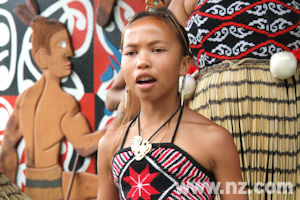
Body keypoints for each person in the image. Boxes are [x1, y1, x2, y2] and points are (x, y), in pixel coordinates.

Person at [97, 7, 248, 200]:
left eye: (157, 49)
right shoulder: (110, 144)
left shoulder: (215, 140)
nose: (142, 61)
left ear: (184, 64)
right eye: (131, 52)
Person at [0, 16, 104, 200]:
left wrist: (12, 189)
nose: (70, 52)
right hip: (54, 185)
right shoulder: (64, 101)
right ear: (41, 56)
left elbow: (7, 146)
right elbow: (84, 146)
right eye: (62, 44)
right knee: (110, 186)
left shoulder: (24, 98)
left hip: (30, 186)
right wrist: (117, 126)